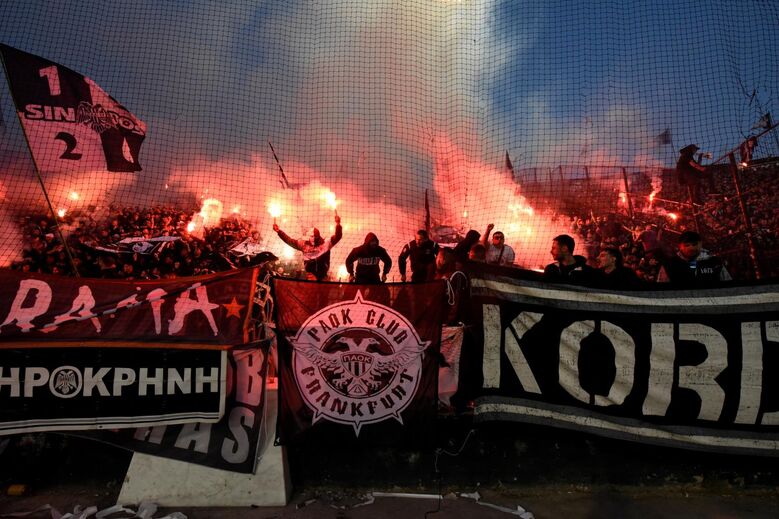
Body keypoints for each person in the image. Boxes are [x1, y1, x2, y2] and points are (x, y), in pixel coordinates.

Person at [273, 214, 342, 281]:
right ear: (309, 237)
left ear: (319, 236)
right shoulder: (303, 244)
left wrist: (338, 224)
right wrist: (279, 231)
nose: (313, 239)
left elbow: (338, 236)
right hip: (310, 277)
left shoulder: (326, 243)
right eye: (311, 236)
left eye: (315, 237)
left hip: (322, 277)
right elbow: (289, 241)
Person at [657, 230, 732, 287]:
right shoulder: (669, 265)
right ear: (680, 246)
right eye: (687, 245)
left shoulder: (714, 262)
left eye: (694, 244)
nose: (691, 248)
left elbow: (728, 284)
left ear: (700, 244)